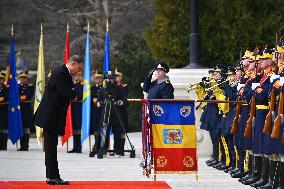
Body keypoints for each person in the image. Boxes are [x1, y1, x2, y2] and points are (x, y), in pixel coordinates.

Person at [34, 55, 84, 185]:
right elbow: (65, 93)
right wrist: (76, 95)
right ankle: (52, 176)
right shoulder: (61, 73)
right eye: (78, 68)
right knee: (50, 147)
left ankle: (53, 175)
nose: (79, 71)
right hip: (50, 116)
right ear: (72, 63)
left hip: (53, 116)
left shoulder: (64, 73)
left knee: (51, 147)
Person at [18, 70, 34, 151]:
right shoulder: (17, 87)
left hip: (27, 110)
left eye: (24, 78)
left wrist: (19, 98)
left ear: (27, 79)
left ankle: (26, 145)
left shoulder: (30, 86)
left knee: (26, 129)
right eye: (22, 78)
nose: (23, 79)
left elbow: (28, 96)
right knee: (20, 128)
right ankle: (21, 145)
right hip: (19, 110)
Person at [68, 74, 83, 153]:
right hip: (72, 109)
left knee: (78, 128)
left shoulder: (82, 85)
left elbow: (80, 96)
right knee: (74, 129)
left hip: (78, 108)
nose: (75, 77)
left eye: (77, 76)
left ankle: (79, 147)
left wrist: (73, 97)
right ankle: (74, 147)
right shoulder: (71, 85)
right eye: (74, 76)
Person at [89, 70, 103, 157]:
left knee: (102, 130)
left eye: (98, 78)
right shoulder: (92, 88)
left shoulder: (104, 88)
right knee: (95, 130)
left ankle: (102, 147)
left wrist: (100, 102)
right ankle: (96, 146)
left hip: (102, 111)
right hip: (94, 112)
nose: (97, 79)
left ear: (101, 78)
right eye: (95, 78)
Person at [0, 72, 9, 150]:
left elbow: (6, 97)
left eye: (1, 79)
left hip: (4, 110)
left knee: (4, 129)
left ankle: (4, 145)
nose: (0, 80)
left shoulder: (6, 88)